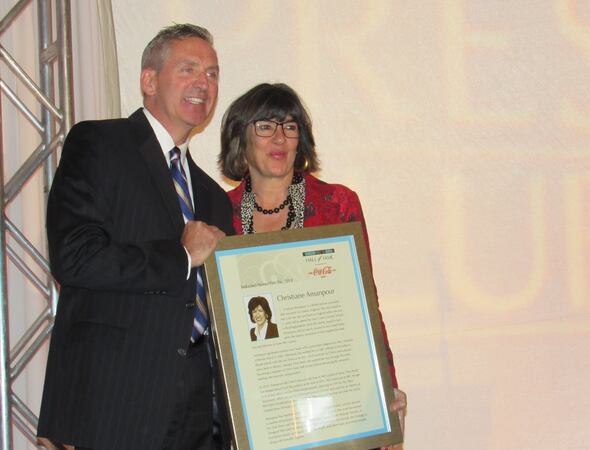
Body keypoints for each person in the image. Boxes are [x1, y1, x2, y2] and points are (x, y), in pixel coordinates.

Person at [37, 24, 233, 450]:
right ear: (148, 80)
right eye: (189, 69)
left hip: (199, 408)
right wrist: (181, 257)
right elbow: (75, 257)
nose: (204, 82)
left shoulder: (214, 197)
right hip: (115, 402)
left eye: (213, 73)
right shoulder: (100, 144)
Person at [220, 82, 407, 449]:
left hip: (332, 393)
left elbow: (364, 305)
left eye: (290, 127)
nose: (279, 138)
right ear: (240, 138)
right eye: (265, 126)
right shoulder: (217, 212)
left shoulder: (337, 204)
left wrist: (386, 392)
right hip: (259, 405)